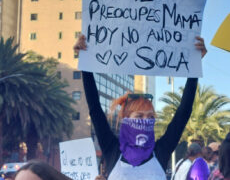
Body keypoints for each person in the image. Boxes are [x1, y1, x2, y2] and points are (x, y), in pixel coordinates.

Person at [74, 35, 207, 180]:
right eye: (139, 116)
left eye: (150, 117)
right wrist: (85, 62)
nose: (146, 121)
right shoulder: (111, 149)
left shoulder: (161, 151)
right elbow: (95, 109)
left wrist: (194, 68)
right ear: (125, 118)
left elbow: (183, 113)